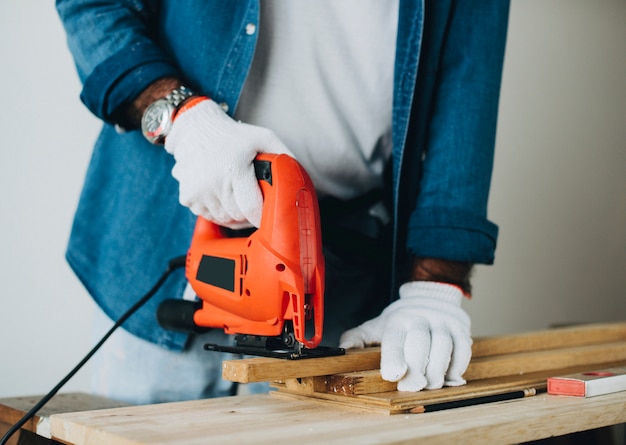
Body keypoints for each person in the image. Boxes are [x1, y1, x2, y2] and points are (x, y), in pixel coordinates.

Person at [56, 0, 510, 404]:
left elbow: (468, 90)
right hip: (161, 228)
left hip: (346, 258)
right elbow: (93, 6)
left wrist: (433, 289)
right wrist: (180, 117)